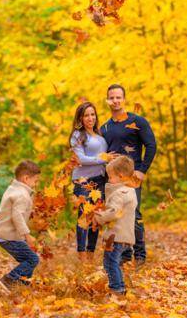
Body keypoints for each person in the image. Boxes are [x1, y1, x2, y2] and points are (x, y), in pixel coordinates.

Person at [101, 84, 157, 267]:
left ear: (124, 99)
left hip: (132, 178)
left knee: (134, 214)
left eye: (118, 97)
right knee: (116, 214)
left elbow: (151, 145)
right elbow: (102, 153)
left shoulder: (137, 121)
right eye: (112, 97)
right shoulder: (105, 128)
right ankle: (124, 256)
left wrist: (142, 170)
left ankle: (140, 255)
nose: (115, 100)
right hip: (112, 180)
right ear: (107, 100)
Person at [0, 160, 40, 293]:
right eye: (35, 181)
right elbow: (16, 216)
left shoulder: (13, 189)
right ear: (26, 178)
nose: (36, 184)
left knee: (28, 258)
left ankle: (23, 283)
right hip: (9, 236)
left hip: (4, 233)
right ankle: (9, 279)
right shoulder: (22, 195)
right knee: (32, 259)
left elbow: (5, 211)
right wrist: (27, 235)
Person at [69, 102, 108, 261]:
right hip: (83, 181)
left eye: (93, 114)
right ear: (80, 118)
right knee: (84, 217)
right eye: (86, 115)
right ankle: (82, 256)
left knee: (96, 217)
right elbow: (81, 159)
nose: (90, 118)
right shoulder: (77, 135)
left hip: (100, 181)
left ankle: (90, 255)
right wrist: (103, 158)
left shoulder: (99, 136)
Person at [94, 155, 137, 295]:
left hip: (116, 237)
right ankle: (121, 287)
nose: (109, 180)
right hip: (126, 237)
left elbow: (113, 212)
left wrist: (98, 217)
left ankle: (117, 289)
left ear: (120, 176)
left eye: (110, 177)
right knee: (115, 264)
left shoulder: (120, 193)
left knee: (110, 264)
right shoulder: (131, 191)